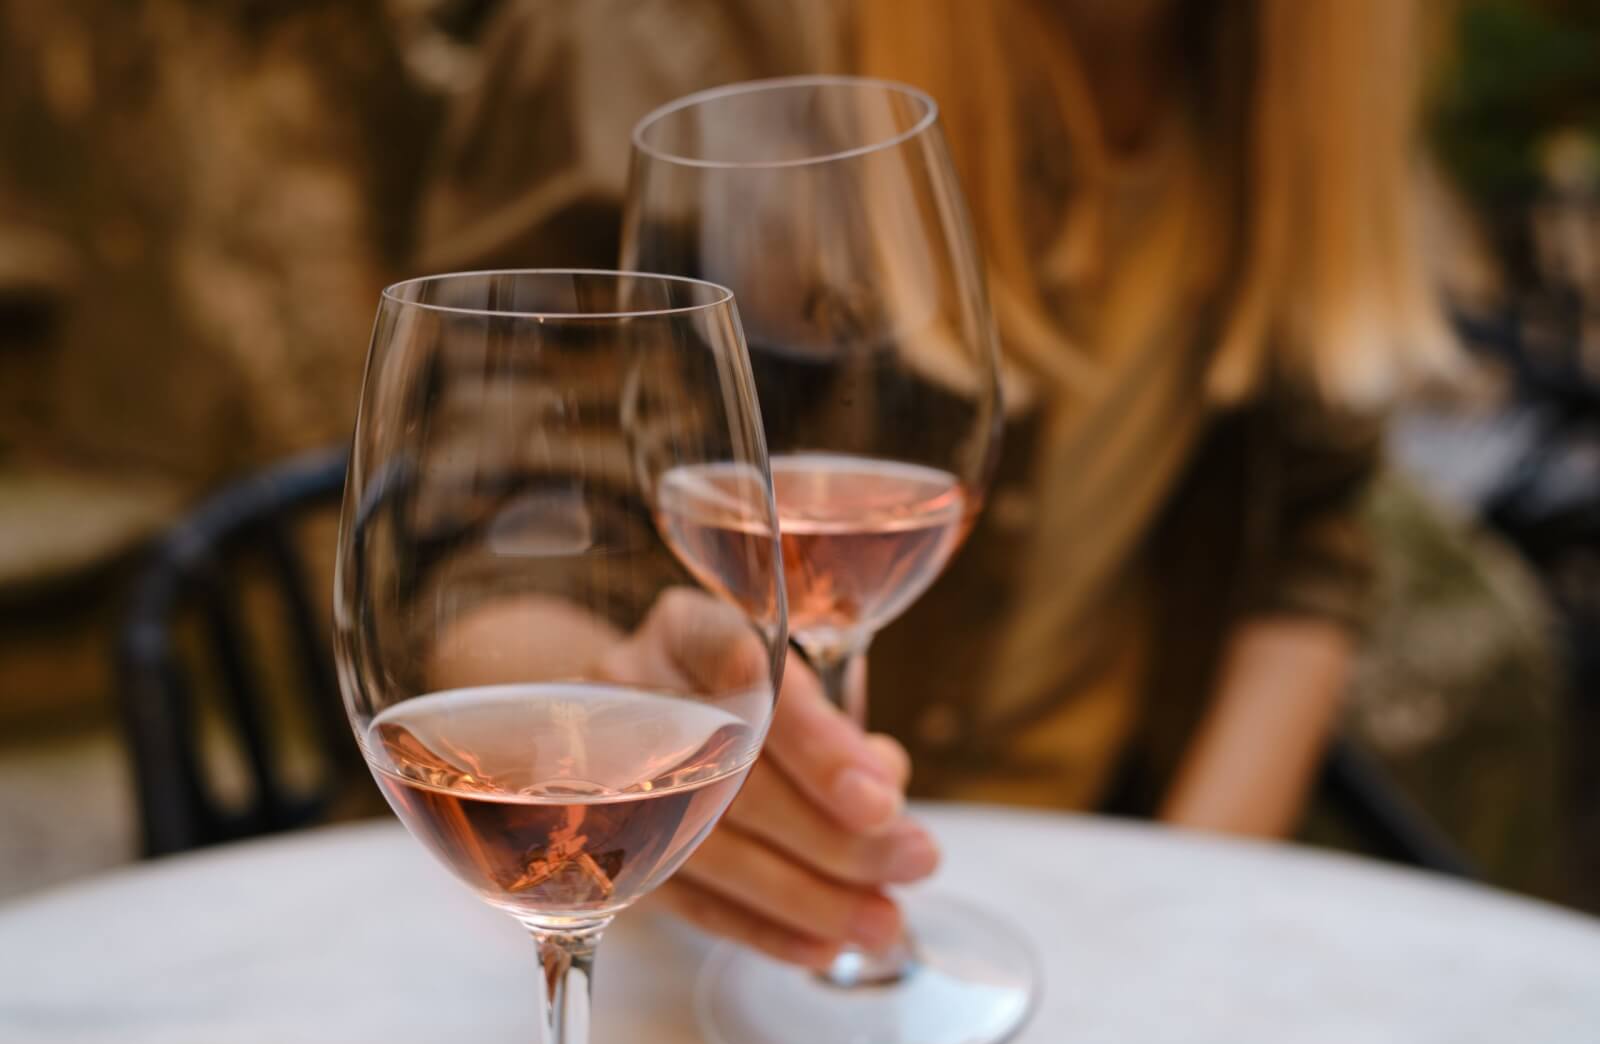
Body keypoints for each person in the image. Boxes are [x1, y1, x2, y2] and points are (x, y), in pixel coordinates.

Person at [413, 0, 1456, 964]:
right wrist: (610, 711)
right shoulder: (654, 29)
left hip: (1078, 890)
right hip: (661, 950)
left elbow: (1304, 555)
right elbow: (498, 529)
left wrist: (1166, 935)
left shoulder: (1295, 94)